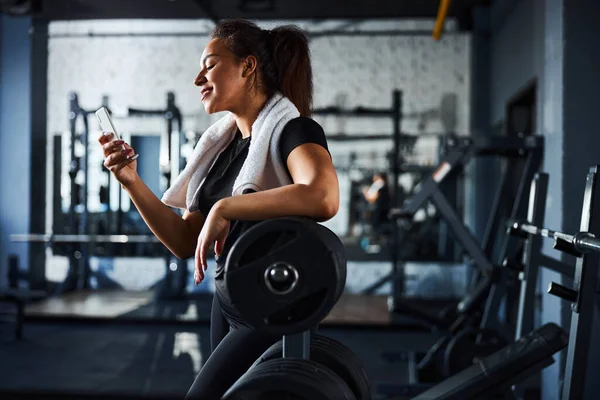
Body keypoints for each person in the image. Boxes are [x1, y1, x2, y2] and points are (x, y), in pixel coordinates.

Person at [98, 19, 339, 399]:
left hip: (271, 303)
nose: (198, 79)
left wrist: (226, 207)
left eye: (209, 64)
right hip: (227, 299)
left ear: (247, 66)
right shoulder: (224, 151)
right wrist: (130, 181)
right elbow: (182, 240)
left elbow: (323, 196)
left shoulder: (294, 130)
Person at [361, 172, 391, 243]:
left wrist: (366, 192)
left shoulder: (379, 185)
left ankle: (378, 240)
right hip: (381, 210)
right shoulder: (381, 186)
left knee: (377, 226)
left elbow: (371, 197)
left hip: (380, 210)